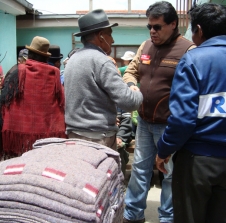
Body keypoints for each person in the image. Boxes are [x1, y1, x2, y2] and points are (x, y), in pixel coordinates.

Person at [156, 3, 226, 223]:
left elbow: (182, 119)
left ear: (199, 29)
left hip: (197, 162)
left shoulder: (193, 60)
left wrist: (164, 149)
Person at [122, 1, 194, 223]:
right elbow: (131, 71)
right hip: (144, 122)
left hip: (170, 126)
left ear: (173, 24)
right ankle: (132, 215)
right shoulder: (145, 46)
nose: (152, 31)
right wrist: (132, 82)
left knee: (170, 175)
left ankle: (167, 218)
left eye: (157, 27)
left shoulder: (189, 50)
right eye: (149, 27)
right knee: (139, 172)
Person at [64, 9, 143, 151]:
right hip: (98, 138)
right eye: (110, 34)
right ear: (101, 36)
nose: (112, 40)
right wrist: (137, 91)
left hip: (74, 135)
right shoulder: (101, 61)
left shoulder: (73, 59)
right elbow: (129, 101)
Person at [0, 36, 66, 159]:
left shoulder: (18, 72)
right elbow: (61, 103)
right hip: (48, 137)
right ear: (47, 57)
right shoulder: (54, 74)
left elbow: (5, 102)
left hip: (20, 136)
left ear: (29, 55)